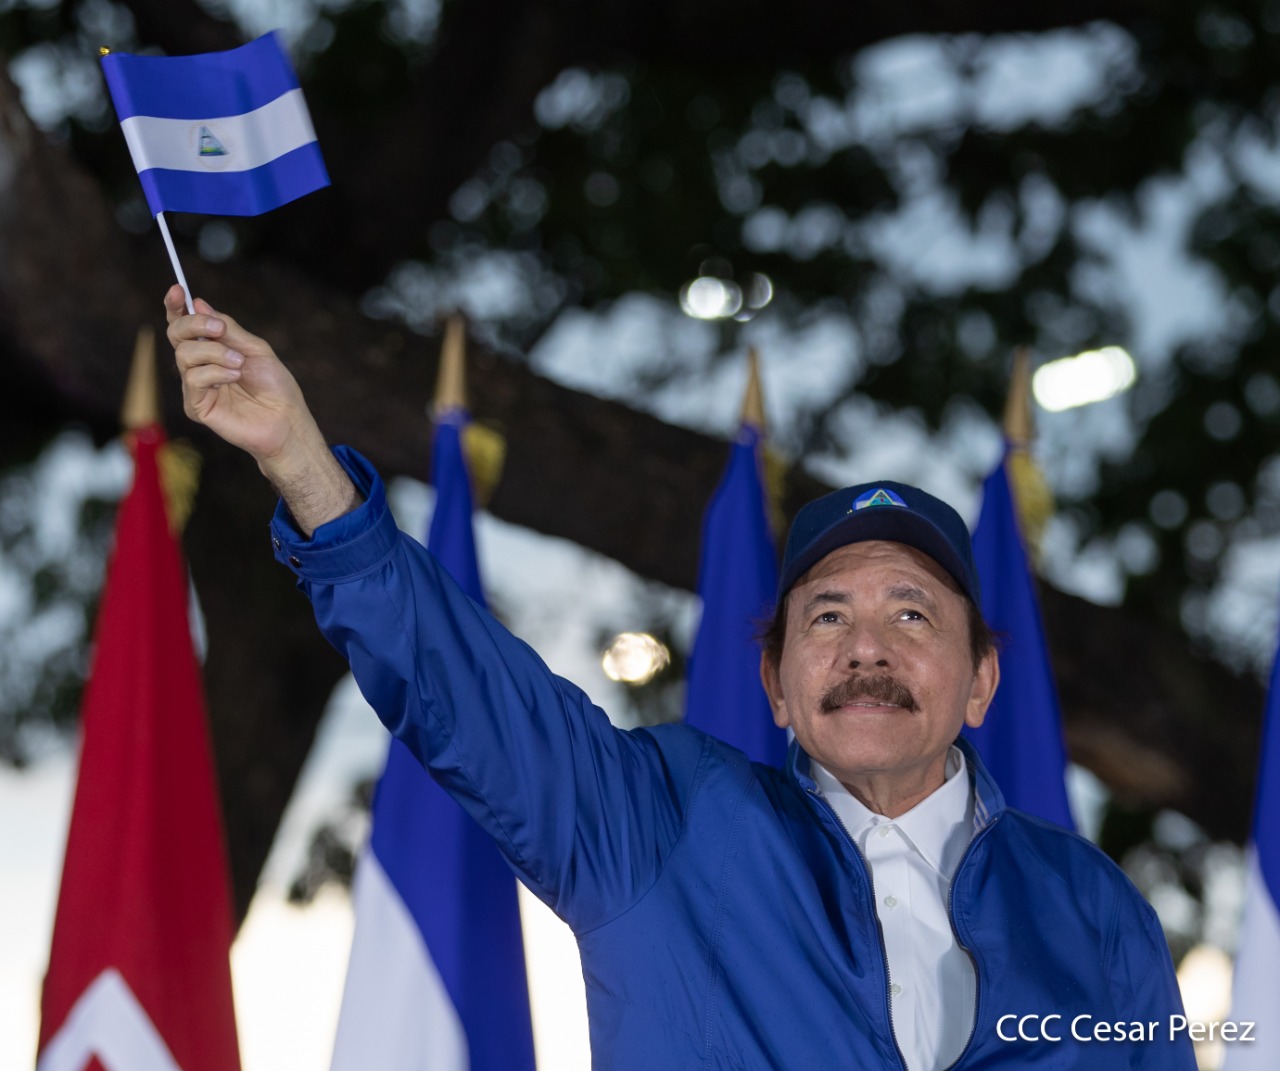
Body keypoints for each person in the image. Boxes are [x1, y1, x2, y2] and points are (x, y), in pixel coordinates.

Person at [166, 287, 1196, 1070]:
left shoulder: (1093, 910)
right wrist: (302, 463)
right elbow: (469, 694)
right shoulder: (662, 823)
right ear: (775, 686)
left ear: (981, 682)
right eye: (826, 616)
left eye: (911, 614)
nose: (865, 649)